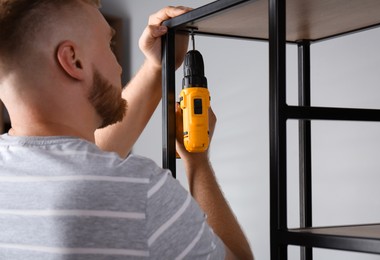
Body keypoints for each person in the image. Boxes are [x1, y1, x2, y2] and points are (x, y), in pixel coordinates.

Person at [0, 0, 254, 259]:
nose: (119, 66)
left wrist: (157, 67)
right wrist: (197, 161)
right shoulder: (138, 189)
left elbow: (82, 162)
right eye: (109, 46)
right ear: (74, 61)